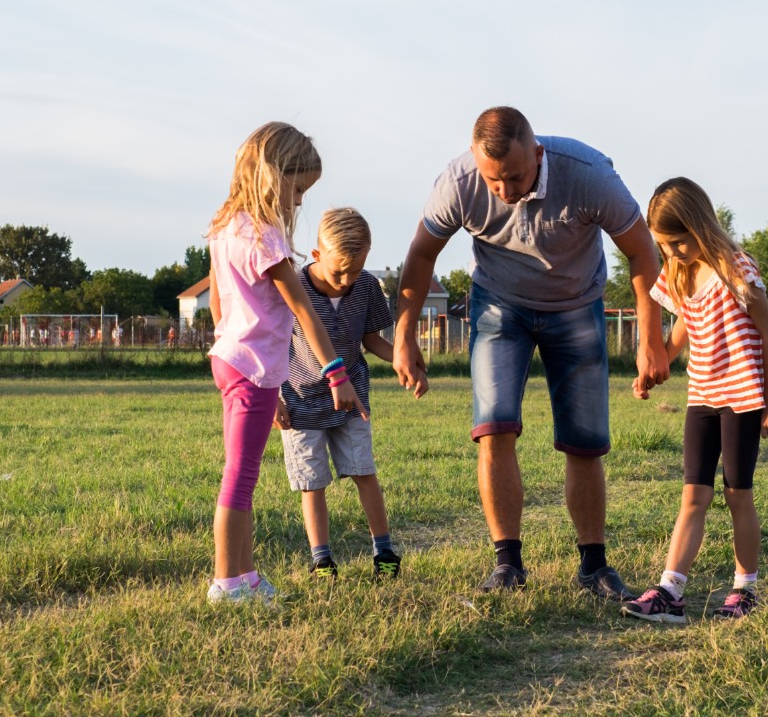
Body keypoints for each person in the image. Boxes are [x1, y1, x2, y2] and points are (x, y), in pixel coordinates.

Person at [392, 107, 669, 599]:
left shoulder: (587, 175)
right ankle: (507, 565)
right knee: (493, 429)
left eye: (514, 176)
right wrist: (404, 334)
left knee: (584, 441)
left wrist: (650, 338)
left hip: (576, 305)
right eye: (492, 179)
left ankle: (594, 566)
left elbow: (642, 251)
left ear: (537, 154)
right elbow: (421, 255)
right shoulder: (458, 182)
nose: (503, 190)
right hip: (500, 307)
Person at [205, 122, 361, 604]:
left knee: (240, 471)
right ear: (275, 175)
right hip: (253, 369)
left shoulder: (224, 228)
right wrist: (337, 373)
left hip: (230, 359)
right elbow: (303, 309)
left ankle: (246, 575)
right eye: (296, 189)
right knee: (242, 477)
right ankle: (228, 582)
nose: (297, 202)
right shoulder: (265, 237)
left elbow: (215, 304)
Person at [623, 177, 768, 624]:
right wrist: (657, 365)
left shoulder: (736, 268)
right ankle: (671, 592)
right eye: (664, 246)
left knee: (738, 496)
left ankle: (745, 591)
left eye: (678, 243)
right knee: (693, 495)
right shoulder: (680, 273)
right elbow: (683, 327)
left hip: (743, 397)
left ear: (699, 225)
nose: (672, 253)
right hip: (703, 396)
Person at [276, 207, 401, 580]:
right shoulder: (291, 287)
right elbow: (274, 345)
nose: (347, 280)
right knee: (312, 483)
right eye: (338, 271)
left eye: (356, 270)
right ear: (316, 255)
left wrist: (402, 360)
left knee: (364, 471)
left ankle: (384, 552)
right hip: (299, 402)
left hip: (352, 402)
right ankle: (322, 560)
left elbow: (371, 339)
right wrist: (273, 398)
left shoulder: (366, 288)